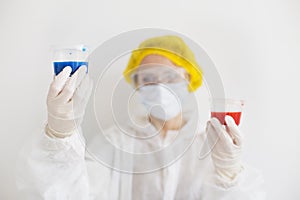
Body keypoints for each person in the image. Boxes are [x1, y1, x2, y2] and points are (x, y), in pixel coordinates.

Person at [16, 35, 265, 199]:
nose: (157, 86)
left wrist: (229, 173)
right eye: (146, 78)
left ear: (190, 78)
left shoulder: (215, 146)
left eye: (169, 75)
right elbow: (72, 194)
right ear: (136, 85)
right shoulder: (116, 143)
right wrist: (60, 134)